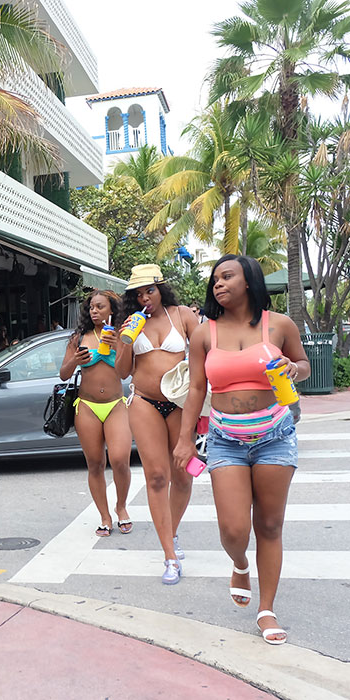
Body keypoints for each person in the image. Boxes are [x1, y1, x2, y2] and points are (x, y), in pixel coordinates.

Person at [173, 255, 310, 644]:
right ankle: (239, 563)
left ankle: (266, 609)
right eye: (214, 279)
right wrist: (185, 440)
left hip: (274, 436)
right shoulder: (204, 333)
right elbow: (197, 388)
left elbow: (303, 365)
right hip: (225, 440)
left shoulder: (279, 324)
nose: (218, 284)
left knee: (268, 524)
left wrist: (293, 368)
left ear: (248, 281)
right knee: (233, 529)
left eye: (227, 276)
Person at [117, 264, 199, 584]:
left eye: (149, 291)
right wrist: (126, 339)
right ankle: (169, 556)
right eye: (138, 294)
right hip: (144, 403)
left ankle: (172, 531)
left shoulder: (182, 315)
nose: (144, 298)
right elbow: (124, 371)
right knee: (156, 477)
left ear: (160, 289)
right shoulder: (131, 323)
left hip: (179, 403)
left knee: (183, 475)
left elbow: (205, 352)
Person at [60, 290, 133, 536]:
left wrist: (118, 347)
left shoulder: (122, 336)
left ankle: (121, 507)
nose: (94, 311)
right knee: (95, 464)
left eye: (100, 307)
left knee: (121, 460)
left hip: (115, 404)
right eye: (91, 307)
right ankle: (104, 516)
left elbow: (125, 373)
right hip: (87, 407)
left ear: (111, 310)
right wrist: (75, 361)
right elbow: (64, 374)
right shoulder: (79, 337)